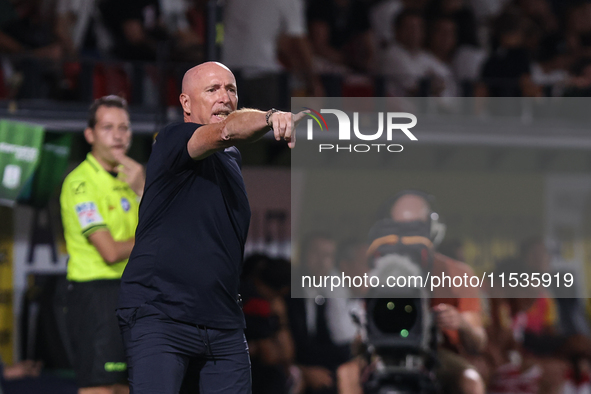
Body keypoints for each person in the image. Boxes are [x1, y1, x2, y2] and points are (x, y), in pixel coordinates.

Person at [116, 61, 305, 394]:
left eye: (231, 89)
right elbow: (225, 130)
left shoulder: (231, 158)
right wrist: (270, 117)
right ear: (186, 103)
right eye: (212, 89)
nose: (224, 97)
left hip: (223, 322)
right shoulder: (174, 138)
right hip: (161, 314)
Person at [60, 95, 145, 394]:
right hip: (96, 294)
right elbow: (109, 251)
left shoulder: (133, 178)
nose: (119, 135)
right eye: (108, 127)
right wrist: (151, 243)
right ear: (89, 135)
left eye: (124, 127)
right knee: (100, 387)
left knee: (127, 387)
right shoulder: (80, 183)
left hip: (132, 291)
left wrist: (143, 190)